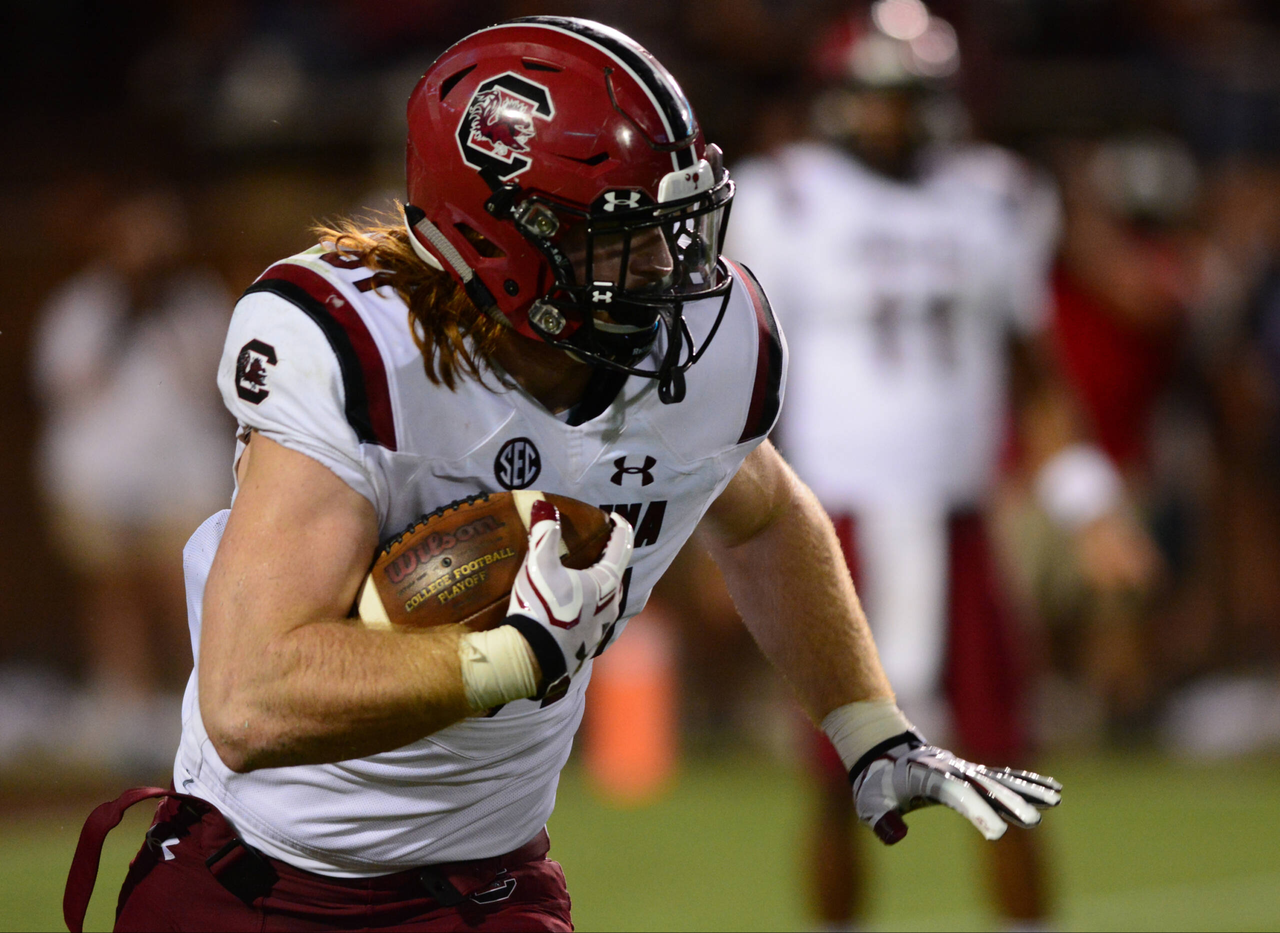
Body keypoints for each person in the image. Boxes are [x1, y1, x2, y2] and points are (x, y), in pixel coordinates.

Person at [64, 16, 1060, 933]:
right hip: (258, 884)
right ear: (502, 234)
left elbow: (763, 512)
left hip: (489, 888)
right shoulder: (365, 357)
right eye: (621, 236)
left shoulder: (698, 354)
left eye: (674, 225)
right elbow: (250, 700)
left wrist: (871, 729)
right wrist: (513, 656)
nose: (668, 269)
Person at [727, 2, 1147, 928]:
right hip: (832, 531)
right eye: (879, 96)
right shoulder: (782, 198)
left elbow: (1036, 376)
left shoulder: (993, 195)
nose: (895, 117)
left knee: (1007, 765)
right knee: (836, 778)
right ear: (838, 98)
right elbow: (736, 376)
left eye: (911, 97)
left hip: (960, 524)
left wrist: (1090, 504)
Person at [31, 184, 233, 773]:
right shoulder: (82, 306)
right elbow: (65, 384)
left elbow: (213, 381)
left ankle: (198, 709)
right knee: (113, 597)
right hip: (98, 478)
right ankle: (128, 712)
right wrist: (123, 321)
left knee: (185, 595)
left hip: (180, 476)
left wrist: (161, 320)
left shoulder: (198, 304)